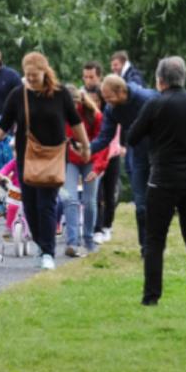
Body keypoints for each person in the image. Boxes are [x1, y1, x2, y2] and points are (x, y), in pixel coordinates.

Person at [0, 52, 91, 270]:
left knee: (46, 204)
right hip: (27, 157)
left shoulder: (60, 94)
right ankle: (40, 244)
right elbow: (2, 126)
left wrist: (85, 146)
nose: (30, 79)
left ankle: (48, 253)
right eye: (27, 75)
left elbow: (76, 123)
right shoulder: (18, 95)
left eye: (34, 75)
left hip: (54, 157)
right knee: (29, 205)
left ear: (45, 71)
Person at [126, 57, 186, 306]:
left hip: (162, 179)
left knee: (155, 240)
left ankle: (151, 297)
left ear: (160, 80)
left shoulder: (155, 104)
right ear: (183, 77)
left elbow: (133, 136)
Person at [90, 75, 161, 257]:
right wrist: (86, 150)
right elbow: (105, 137)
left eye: (109, 98)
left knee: (158, 202)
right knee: (141, 205)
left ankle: (157, 242)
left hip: (158, 154)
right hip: (137, 156)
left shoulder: (148, 99)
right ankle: (146, 248)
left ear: (122, 91)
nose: (106, 103)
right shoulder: (112, 109)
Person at [61, 86, 109, 257]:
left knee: (89, 201)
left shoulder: (94, 115)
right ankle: (72, 242)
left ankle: (88, 240)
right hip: (70, 161)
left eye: (74, 104)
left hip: (91, 159)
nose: (72, 108)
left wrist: (97, 168)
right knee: (70, 199)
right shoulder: (59, 114)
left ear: (80, 101)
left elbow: (103, 143)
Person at [83, 61, 122, 245]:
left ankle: (107, 225)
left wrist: (123, 146)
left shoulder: (110, 105)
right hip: (94, 153)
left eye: (92, 77)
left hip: (112, 153)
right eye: (85, 77)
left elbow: (121, 127)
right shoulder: (83, 101)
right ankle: (96, 227)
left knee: (109, 192)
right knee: (95, 193)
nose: (88, 80)